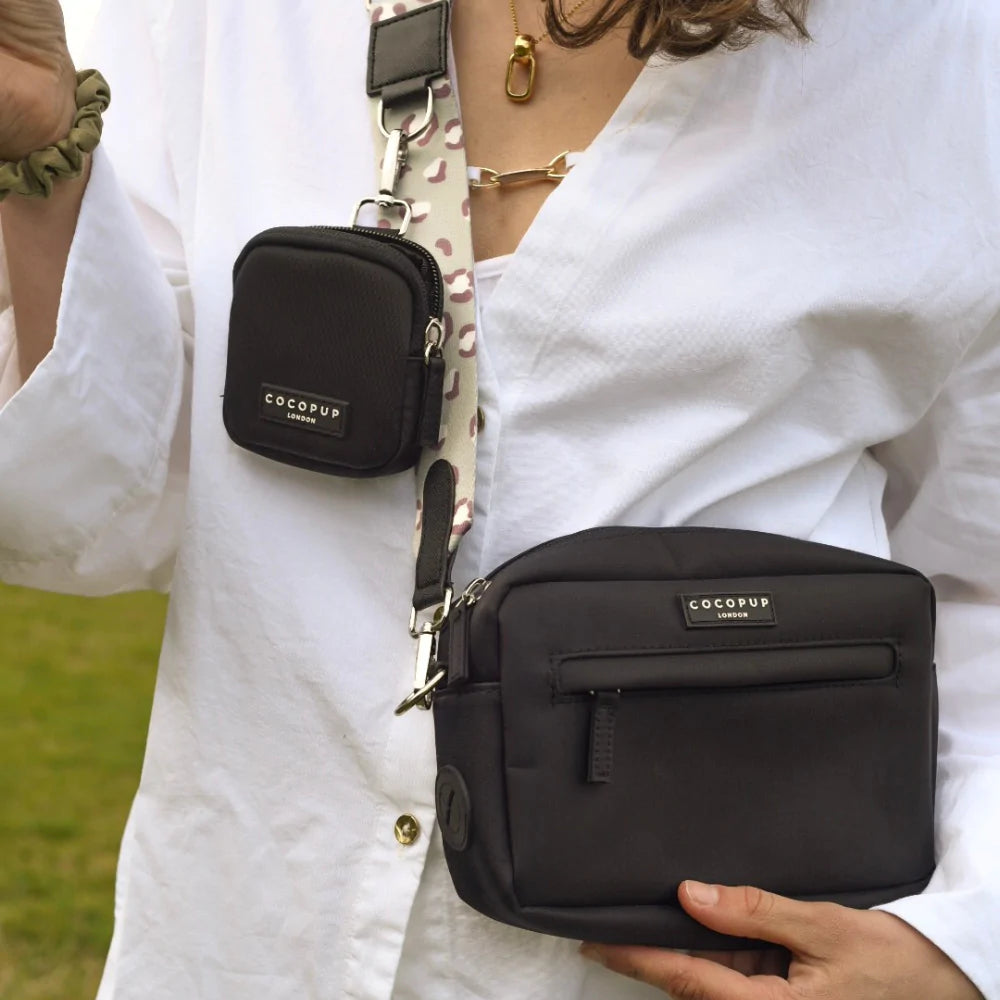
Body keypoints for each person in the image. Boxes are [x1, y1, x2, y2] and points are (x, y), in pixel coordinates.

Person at [0, 0, 997, 997]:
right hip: (244, 934)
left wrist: (960, 947)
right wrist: (45, 155)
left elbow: (983, 584)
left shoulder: (951, 57)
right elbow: (102, 506)